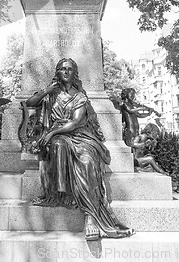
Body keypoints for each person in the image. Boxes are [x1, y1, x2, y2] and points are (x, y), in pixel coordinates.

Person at [26, 58, 134, 241]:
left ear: (74, 73)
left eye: (70, 69)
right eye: (62, 69)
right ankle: (62, 194)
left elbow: (76, 122)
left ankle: (91, 216)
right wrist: (46, 91)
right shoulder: (51, 94)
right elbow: (30, 103)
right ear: (57, 72)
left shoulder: (80, 96)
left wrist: (52, 133)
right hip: (59, 136)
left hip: (80, 135)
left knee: (87, 161)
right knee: (58, 145)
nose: (66, 72)